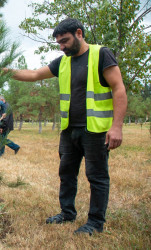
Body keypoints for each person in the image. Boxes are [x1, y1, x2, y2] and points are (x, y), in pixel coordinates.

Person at [7, 18, 127, 235]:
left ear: (79, 33)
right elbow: (34, 75)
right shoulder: (63, 61)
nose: (61, 47)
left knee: (97, 176)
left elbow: (119, 89)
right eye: (59, 43)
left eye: (65, 41)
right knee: (66, 173)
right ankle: (67, 212)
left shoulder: (101, 54)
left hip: (96, 130)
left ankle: (95, 223)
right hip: (70, 130)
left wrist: (116, 126)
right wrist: (3, 71)